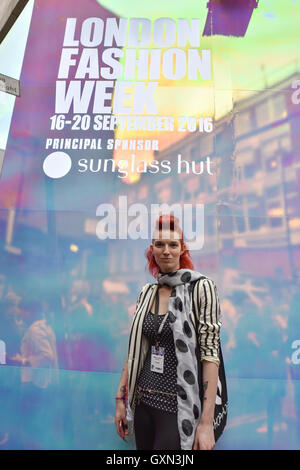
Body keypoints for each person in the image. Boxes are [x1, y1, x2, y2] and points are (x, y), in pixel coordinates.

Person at [115, 214, 224, 450]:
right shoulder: (147, 293)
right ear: (151, 249)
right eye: (160, 244)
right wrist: (120, 400)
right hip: (143, 403)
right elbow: (134, 350)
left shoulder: (201, 288)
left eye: (173, 245)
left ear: (182, 249)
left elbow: (210, 355)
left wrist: (206, 423)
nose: (166, 251)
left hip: (178, 408)